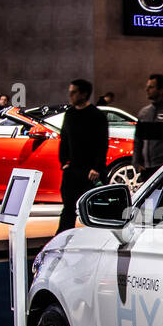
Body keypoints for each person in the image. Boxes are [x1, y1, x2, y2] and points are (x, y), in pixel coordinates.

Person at [57, 78, 109, 233]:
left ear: (84, 94)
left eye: (74, 92)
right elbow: (64, 139)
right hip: (72, 169)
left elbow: (102, 143)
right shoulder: (70, 114)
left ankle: (100, 237)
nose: (70, 96)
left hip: (90, 172)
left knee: (94, 208)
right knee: (68, 208)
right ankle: (62, 238)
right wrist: (64, 162)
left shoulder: (96, 115)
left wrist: (97, 167)